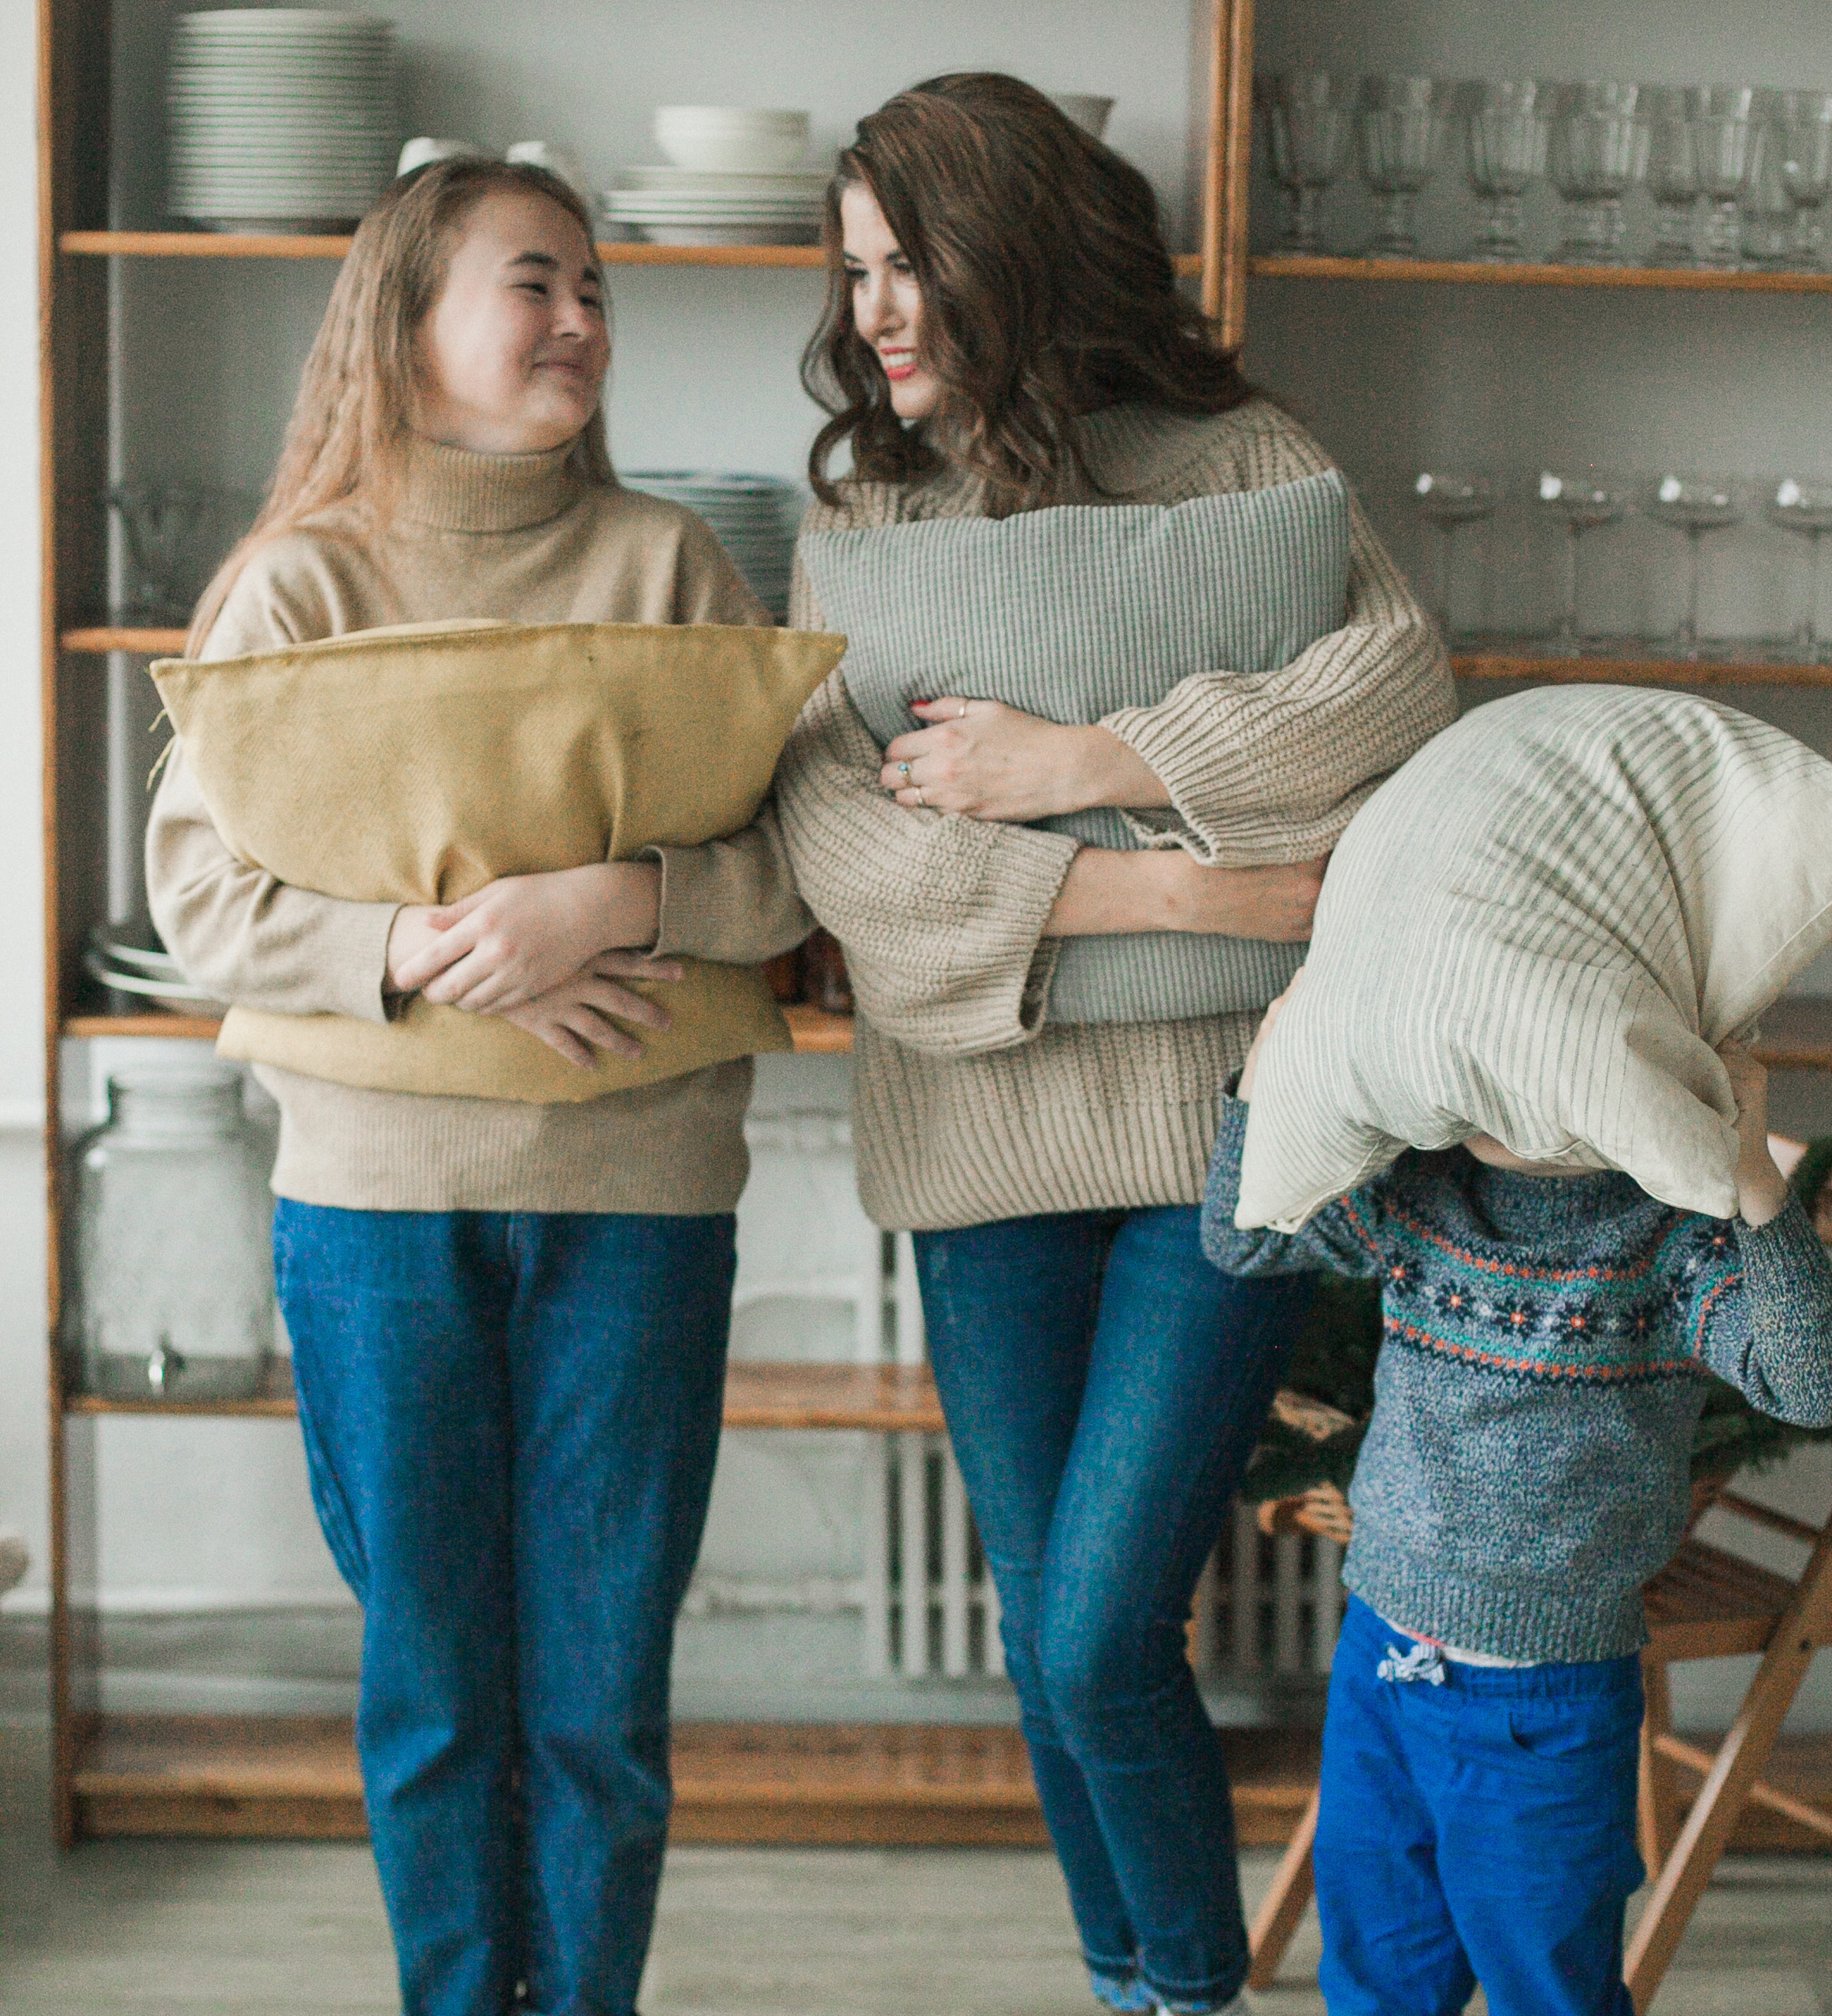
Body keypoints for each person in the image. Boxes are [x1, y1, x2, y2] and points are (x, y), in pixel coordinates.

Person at [773, 75, 1455, 2016]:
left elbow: (1396, 683)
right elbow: (839, 839)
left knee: (1095, 1634)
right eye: (857, 271)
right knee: (1043, 1634)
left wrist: (1088, 764)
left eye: (911, 264)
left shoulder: (1242, 460)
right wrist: (1170, 893)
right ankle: (1138, 1979)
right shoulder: (867, 511)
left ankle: (1181, 1989)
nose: (875, 312)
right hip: (979, 1138)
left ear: (1017, 255)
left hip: (1222, 1132)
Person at [147, 158, 807, 2016]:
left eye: (596, 288)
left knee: (599, 1694)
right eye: (537, 283)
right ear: (405, 316)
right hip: (372, 1210)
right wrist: (422, 946)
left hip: (644, 1206)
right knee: (436, 1689)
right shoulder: (298, 581)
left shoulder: (670, 564)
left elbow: (796, 870)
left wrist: (623, 895)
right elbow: (198, 893)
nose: (584, 320)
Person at [1200, 996, 1832, 2016]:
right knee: (1377, 1976)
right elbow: (1239, 1241)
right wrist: (1272, 1052)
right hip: (1382, 1658)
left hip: (1545, 1701)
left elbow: (1815, 1383)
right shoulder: (1419, 1195)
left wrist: (1748, 1175)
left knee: (1548, 1989)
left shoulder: (1673, 1245)